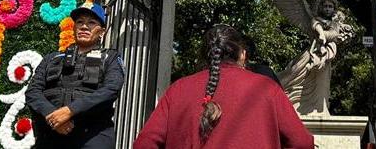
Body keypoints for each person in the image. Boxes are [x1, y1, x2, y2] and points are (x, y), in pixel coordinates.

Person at [133, 24, 314, 149]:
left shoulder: (178, 89)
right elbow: (302, 142)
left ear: (206, 55)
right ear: (242, 55)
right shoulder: (266, 88)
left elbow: (145, 144)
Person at [26, 2, 125, 148]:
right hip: (51, 133)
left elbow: (111, 89)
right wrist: (53, 116)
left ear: (102, 31)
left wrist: (70, 111)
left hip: (92, 136)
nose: (84, 26)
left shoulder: (110, 58)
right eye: (80, 22)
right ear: (74, 28)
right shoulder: (51, 58)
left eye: (91, 22)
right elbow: (33, 92)